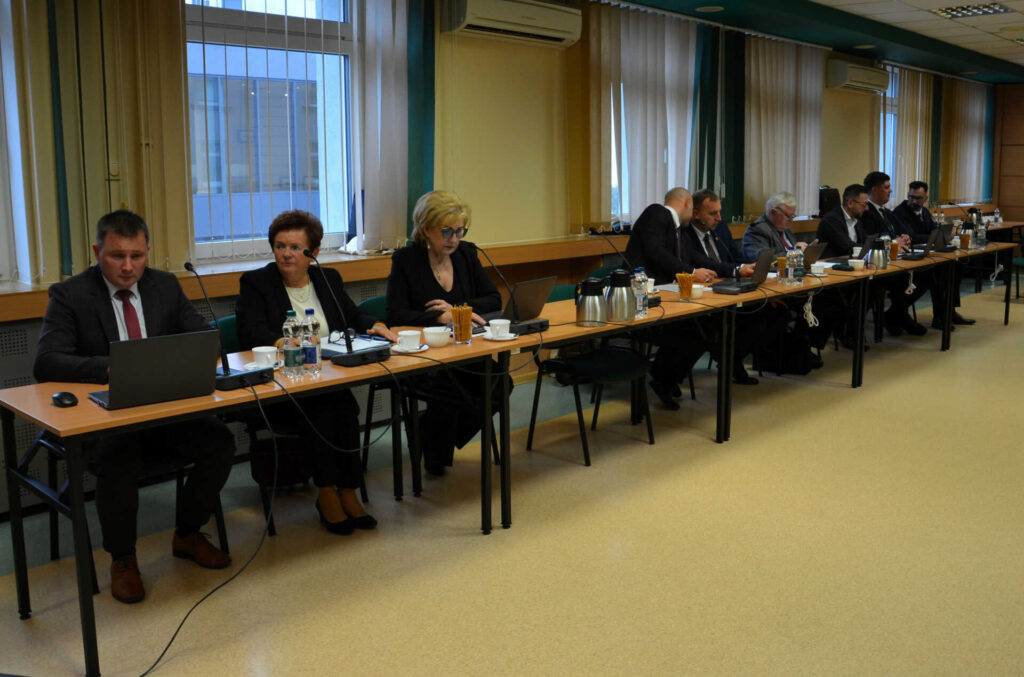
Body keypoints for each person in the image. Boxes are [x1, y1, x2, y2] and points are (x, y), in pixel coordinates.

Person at [34, 209, 234, 604]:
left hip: (161, 410)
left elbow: (202, 336)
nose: (128, 267)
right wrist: (110, 367)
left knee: (220, 441)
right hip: (104, 418)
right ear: (98, 252)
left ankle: (187, 533)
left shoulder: (165, 285)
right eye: (117, 256)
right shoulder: (71, 294)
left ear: (147, 252)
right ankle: (123, 558)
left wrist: (198, 347)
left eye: (137, 256)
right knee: (119, 455)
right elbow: (46, 361)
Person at [236, 209, 394, 534]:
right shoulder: (257, 283)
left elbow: (352, 316)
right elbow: (250, 332)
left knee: (345, 408)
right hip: (285, 385)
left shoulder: (327, 278)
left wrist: (376, 325)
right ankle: (326, 494)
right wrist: (285, 342)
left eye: (296, 248)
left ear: (314, 252)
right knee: (322, 411)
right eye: (280, 246)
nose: (286, 254)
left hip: (327, 378)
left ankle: (348, 491)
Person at [386, 190, 505, 476]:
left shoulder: (466, 255)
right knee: (451, 388)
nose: (454, 238)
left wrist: (457, 310)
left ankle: (431, 439)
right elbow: (395, 314)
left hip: (465, 350)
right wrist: (438, 316)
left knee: (501, 384)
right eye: (446, 231)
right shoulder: (406, 260)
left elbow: (493, 298)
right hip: (424, 356)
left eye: (459, 230)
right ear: (426, 228)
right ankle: (435, 449)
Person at [624, 188, 716, 408]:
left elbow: (697, 258)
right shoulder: (657, 212)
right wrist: (690, 273)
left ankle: (666, 378)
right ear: (687, 203)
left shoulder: (679, 232)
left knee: (707, 326)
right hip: (641, 301)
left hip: (664, 298)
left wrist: (736, 269)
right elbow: (656, 252)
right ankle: (663, 378)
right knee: (693, 330)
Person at [681, 189, 783, 385]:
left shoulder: (720, 228)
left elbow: (735, 256)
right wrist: (737, 270)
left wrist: (750, 267)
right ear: (696, 214)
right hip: (705, 294)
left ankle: (732, 359)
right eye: (713, 213)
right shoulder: (685, 235)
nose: (719, 218)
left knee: (772, 312)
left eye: (719, 212)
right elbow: (701, 262)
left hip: (731, 288)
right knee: (721, 324)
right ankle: (730, 361)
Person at [891, 180, 974, 329]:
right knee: (938, 273)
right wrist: (934, 237)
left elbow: (933, 229)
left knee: (956, 266)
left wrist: (942, 234)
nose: (914, 201)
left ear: (926, 198)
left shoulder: (924, 211)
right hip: (910, 257)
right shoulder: (900, 212)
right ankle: (939, 316)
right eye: (911, 197)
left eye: (918, 198)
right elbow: (911, 236)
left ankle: (950, 311)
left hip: (927, 253)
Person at [860, 171, 929, 337]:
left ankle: (895, 314)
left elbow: (902, 232)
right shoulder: (866, 213)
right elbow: (871, 239)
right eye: (886, 187)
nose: (890, 190)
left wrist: (904, 237)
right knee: (905, 281)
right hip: (877, 265)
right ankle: (898, 316)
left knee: (925, 276)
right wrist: (894, 242)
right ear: (875, 190)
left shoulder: (887, 212)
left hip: (894, 261)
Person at [816, 184, 868, 260]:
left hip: (850, 261)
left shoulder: (857, 218)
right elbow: (846, 246)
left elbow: (865, 241)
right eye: (864, 205)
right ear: (850, 203)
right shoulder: (831, 219)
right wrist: (868, 248)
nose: (866, 208)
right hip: (832, 263)